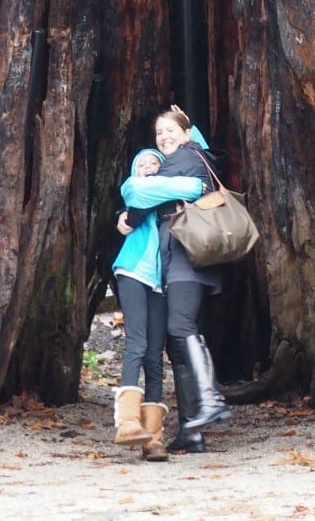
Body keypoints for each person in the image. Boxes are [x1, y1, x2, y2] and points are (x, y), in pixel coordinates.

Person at [118, 106, 231, 454]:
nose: (164, 137)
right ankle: (191, 432)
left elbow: (138, 192)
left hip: (188, 257)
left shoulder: (183, 160)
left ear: (185, 135)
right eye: (159, 133)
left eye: (171, 130)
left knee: (181, 327)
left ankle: (210, 400)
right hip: (176, 260)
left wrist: (130, 214)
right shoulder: (192, 152)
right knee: (177, 342)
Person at [111, 148, 204, 461]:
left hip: (161, 281)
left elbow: (198, 176)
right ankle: (127, 422)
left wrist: (190, 135)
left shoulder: (168, 203)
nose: (149, 168)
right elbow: (132, 210)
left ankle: (153, 437)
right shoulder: (134, 196)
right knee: (136, 343)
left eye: (155, 163)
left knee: (154, 354)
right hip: (134, 273)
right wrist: (121, 216)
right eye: (143, 164)